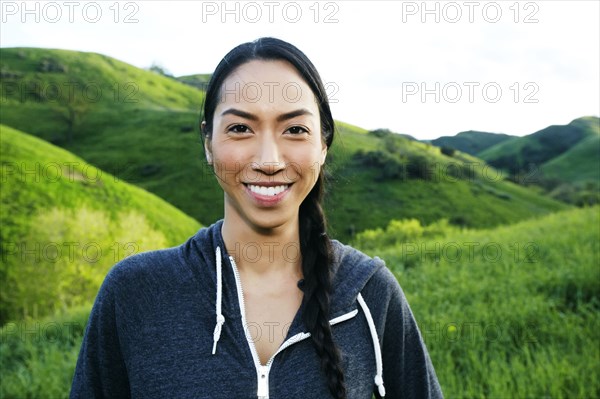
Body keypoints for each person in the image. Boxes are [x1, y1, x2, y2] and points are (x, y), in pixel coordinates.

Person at [70, 37, 443, 399]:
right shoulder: (136, 293)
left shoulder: (370, 294)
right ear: (208, 143)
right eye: (240, 128)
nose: (269, 160)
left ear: (323, 145)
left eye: (295, 129)